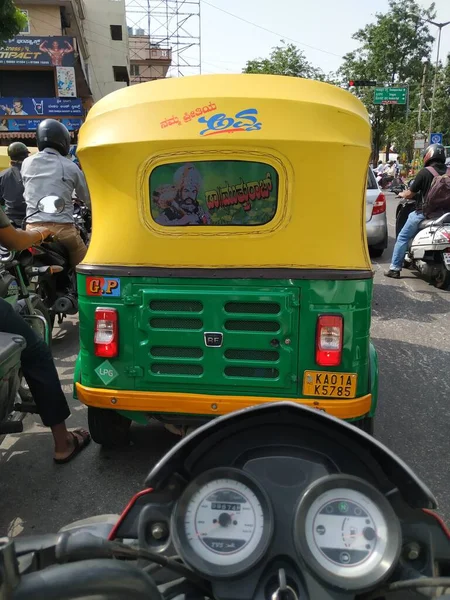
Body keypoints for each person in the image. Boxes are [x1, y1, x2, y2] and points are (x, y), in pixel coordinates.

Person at [0, 210, 90, 462]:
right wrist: (41, 233)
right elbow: (14, 241)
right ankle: (63, 443)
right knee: (37, 353)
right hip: (46, 227)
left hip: (32, 217)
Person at [22, 119, 91, 267]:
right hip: (62, 231)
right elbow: (86, 197)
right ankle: (77, 288)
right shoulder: (70, 166)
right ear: (63, 141)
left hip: (32, 230)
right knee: (84, 266)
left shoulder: (26, 163)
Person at [385, 143, 448, 279]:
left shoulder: (425, 172)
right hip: (446, 215)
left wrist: (402, 194)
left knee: (402, 237)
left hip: (425, 214)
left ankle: (394, 268)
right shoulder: (448, 172)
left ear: (428, 155)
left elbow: (410, 194)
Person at [0, 142, 29, 226]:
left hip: (10, 220)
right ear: (26, 155)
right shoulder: (34, 172)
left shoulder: (3, 174)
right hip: (32, 217)